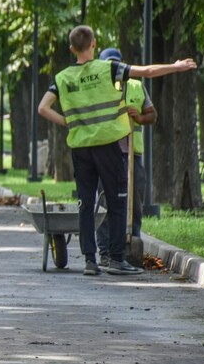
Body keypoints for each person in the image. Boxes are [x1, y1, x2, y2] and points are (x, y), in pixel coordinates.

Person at [38, 25, 195, 276]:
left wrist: (67, 121)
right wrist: (176, 66)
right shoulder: (107, 69)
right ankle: (117, 259)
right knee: (117, 200)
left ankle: (90, 260)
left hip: (81, 149)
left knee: (86, 204)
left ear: (71, 49)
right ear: (93, 44)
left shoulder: (62, 77)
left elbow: (43, 108)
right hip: (108, 146)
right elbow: (146, 71)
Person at [94, 48, 156, 268]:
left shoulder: (137, 86)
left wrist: (138, 116)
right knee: (104, 203)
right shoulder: (97, 90)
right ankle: (105, 252)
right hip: (106, 155)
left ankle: (131, 245)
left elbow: (152, 114)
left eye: (117, 65)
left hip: (131, 155)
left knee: (134, 203)